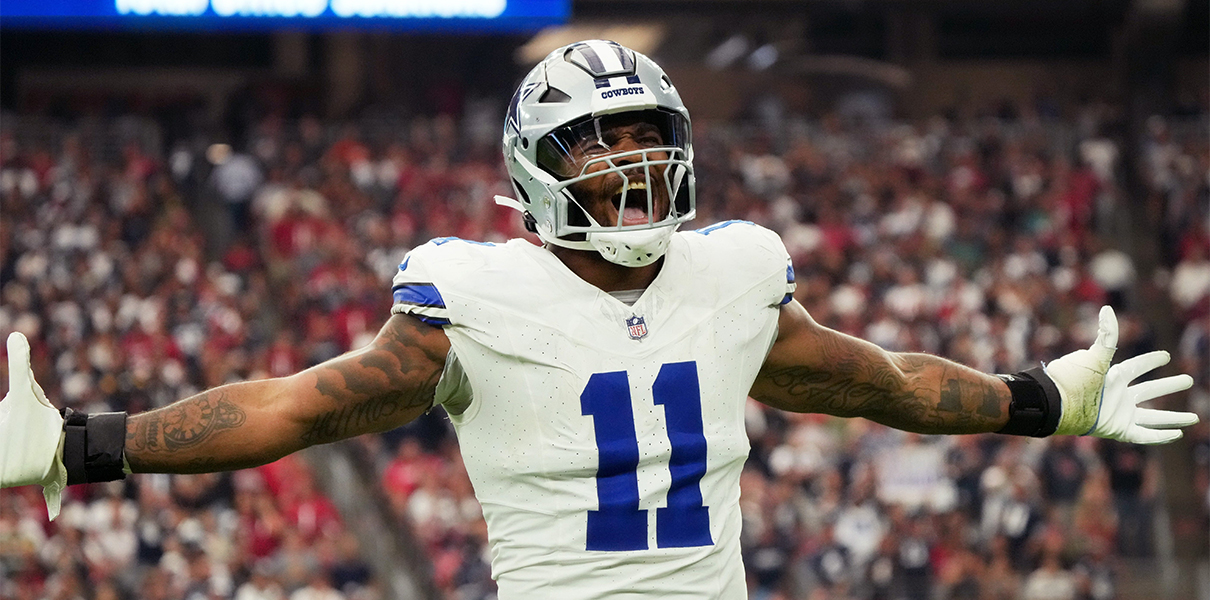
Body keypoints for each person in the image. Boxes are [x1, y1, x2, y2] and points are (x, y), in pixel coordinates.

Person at [0, 40, 1199, 600]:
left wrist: (1042, 402)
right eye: (597, 144)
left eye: (646, 141)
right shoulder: (468, 300)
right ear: (532, 170)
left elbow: (877, 381)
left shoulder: (735, 274)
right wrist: (83, 442)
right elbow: (289, 408)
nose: (629, 168)